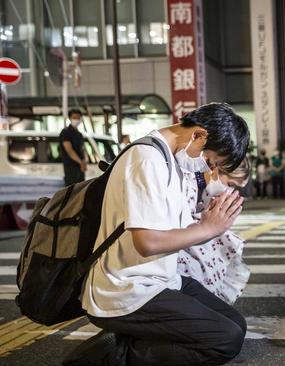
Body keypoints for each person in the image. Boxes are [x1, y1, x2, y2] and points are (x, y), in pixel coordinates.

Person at [66, 103, 250, 366]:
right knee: (225, 339)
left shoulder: (169, 160)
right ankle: (110, 355)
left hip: (162, 278)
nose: (208, 170)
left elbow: (176, 232)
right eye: (211, 162)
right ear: (198, 135)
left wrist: (212, 222)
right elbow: (147, 242)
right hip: (126, 287)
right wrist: (208, 228)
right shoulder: (146, 159)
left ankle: (126, 341)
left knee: (235, 324)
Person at [178, 158, 251, 305]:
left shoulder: (203, 187)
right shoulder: (186, 179)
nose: (230, 191)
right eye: (230, 184)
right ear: (216, 169)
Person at [59, 109, 87, 186]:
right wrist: (80, 162)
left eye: (78, 118)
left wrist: (84, 161)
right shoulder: (66, 132)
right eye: (74, 117)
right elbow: (69, 150)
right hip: (71, 167)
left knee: (81, 189)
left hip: (80, 167)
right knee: (72, 190)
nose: (76, 120)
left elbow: (82, 149)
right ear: (70, 118)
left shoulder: (79, 134)